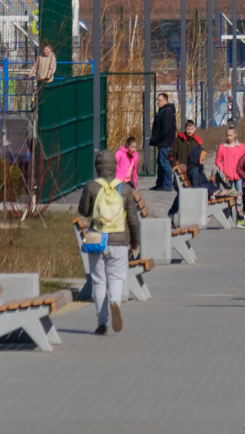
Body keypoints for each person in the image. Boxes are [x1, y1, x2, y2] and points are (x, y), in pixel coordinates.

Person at [76, 150, 140, 335]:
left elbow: (84, 211)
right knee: (116, 277)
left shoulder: (91, 186)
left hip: (97, 240)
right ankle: (115, 302)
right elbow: (133, 220)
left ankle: (101, 323)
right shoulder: (125, 189)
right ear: (115, 167)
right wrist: (134, 241)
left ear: (97, 167)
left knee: (99, 281)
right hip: (119, 241)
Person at [149, 93, 178, 190]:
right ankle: (160, 183)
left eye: (159, 100)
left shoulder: (166, 112)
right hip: (163, 142)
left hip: (165, 142)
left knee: (165, 163)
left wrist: (158, 138)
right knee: (161, 163)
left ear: (165, 101)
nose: (157, 102)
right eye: (157, 100)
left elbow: (166, 129)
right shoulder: (163, 111)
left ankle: (167, 184)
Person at [172, 119, 207, 191]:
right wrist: (176, 163)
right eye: (188, 129)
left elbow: (200, 157)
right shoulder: (179, 140)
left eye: (191, 129)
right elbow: (172, 154)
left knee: (192, 188)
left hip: (193, 170)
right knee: (180, 190)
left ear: (195, 129)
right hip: (181, 169)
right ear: (185, 129)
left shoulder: (196, 142)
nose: (190, 131)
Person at [214, 130, 245, 197]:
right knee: (228, 196)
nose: (229, 137)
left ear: (235, 135)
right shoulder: (222, 147)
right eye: (227, 135)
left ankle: (239, 207)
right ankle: (229, 207)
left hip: (239, 176)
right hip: (227, 176)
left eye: (231, 135)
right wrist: (223, 169)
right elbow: (218, 160)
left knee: (239, 195)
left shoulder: (241, 147)